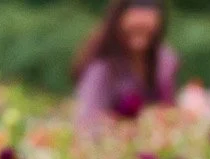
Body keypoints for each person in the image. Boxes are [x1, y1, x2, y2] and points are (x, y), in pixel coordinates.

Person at [72, 0, 179, 129]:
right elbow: (87, 121)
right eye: (135, 28)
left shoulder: (164, 62)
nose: (140, 36)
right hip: (111, 142)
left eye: (146, 29)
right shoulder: (102, 68)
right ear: (117, 23)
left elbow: (169, 109)